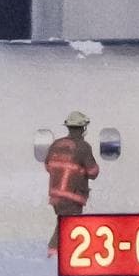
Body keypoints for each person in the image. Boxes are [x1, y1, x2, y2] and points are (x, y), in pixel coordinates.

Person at [45, 110, 100, 256]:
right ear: (83, 128)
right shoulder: (83, 147)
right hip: (72, 195)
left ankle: (59, 253)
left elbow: (48, 166)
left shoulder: (55, 145)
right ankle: (55, 254)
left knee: (64, 223)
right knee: (67, 225)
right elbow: (93, 172)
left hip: (55, 195)